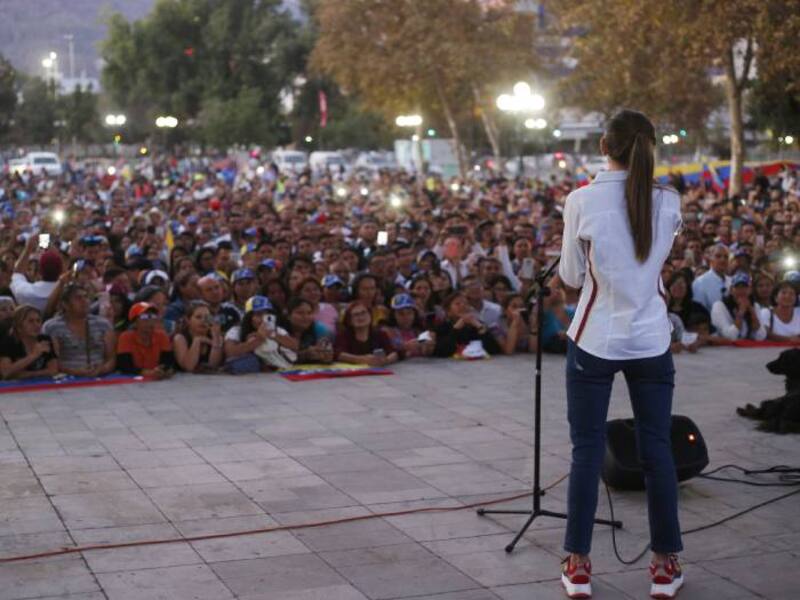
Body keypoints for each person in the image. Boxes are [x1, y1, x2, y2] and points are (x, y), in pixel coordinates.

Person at [558, 110, 684, 599]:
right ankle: (664, 565)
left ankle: (578, 565)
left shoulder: (581, 200)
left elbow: (571, 277)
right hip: (650, 337)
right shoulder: (669, 200)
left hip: (596, 337)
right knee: (657, 450)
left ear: (603, 145)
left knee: (587, 450)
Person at [42, 283, 116, 377]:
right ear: (65, 304)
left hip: (100, 378)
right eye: (78, 298)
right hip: (66, 379)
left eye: (86, 297)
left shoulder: (103, 324)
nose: (84, 301)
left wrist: (102, 369)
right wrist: (74, 372)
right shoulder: (52, 327)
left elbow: (111, 358)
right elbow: (53, 362)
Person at [224, 296, 299, 371]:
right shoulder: (236, 330)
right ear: (249, 317)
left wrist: (273, 335)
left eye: (266, 314)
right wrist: (259, 339)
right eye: (258, 314)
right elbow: (231, 352)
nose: (263, 318)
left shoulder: (277, 330)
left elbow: (295, 346)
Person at [433, 291, 502, 358]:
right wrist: (456, 329)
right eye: (457, 304)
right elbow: (441, 351)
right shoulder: (442, 327)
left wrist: (479, 326)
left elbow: (493, 350)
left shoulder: (478, 325)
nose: (463, 306)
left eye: (466, 303)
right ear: (448, 311)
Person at [116, 303, 174, 378]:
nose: (150, 321)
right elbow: (124, 366)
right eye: (144, 317)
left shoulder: (162, 336)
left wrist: (165, 370)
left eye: (153, 316)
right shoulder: (125, 337)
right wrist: (148, 373)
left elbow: (168, 362)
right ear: (134, 322)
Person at [0, 305, 58, 379]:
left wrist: (23, 374)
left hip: (42, 384)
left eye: (38, 321)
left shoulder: (45, 340)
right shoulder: (9, 342)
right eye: (31, 321)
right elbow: (5, 372)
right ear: (19, 327)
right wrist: (33, 355)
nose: (36, 325)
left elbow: (53, 370)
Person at [335, 301, 399, 366]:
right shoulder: (343, 335)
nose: (361, 317)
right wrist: (361, 359)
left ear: (370, 315)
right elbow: (339, 354)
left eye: (363, 313)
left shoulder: (380, 334)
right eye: (356, 315)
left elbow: (393, 353)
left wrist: (386, 360)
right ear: (349, 320)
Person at [711, 273, 767, 341]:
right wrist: (741, 311)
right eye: (737, 287)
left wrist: (751, 311)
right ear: (731, 290)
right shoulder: (719, 306)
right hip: (723, 347)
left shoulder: (755, 306)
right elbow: (730, 336)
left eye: (745, 287)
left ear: (750, 290)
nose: (741, 291)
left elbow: (761, 336)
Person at [11, 238, 62, 312]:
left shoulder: (27, 292)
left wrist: (28, 249)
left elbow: (16, 275)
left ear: (39, 271)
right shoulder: (67, 293)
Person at [173, 300, 224, 373]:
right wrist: (197, 341)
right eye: (198, 317)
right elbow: (189, 367)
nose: (203, 320)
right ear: (187, 320)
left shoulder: (216, 337)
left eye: (207, 317)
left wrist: (216, 337)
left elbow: (213, 365)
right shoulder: (180, 338)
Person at [382, 293, 435, 358]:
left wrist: (429, 347)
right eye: (401, 313)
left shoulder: (419, 332)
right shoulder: (386, 332)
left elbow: (427, 354)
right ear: (393, 315)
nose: (406, 317)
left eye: (409, 313)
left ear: (414, 314)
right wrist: (404, 348)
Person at [283, 297, 334, 363]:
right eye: (300, 313)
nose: (305, 317)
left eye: (309, 313)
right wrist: (304, 355)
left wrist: (325, 356)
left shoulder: (317, 330)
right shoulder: (279, 331)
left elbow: (327, 353)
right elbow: (277, 357)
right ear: (288, 315)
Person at [691, 244, 730, 312]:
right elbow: (699, 311)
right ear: (710, 259)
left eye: (726, 257)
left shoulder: (732, 281)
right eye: (718, 256)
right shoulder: (700, 282)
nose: (723, 260)